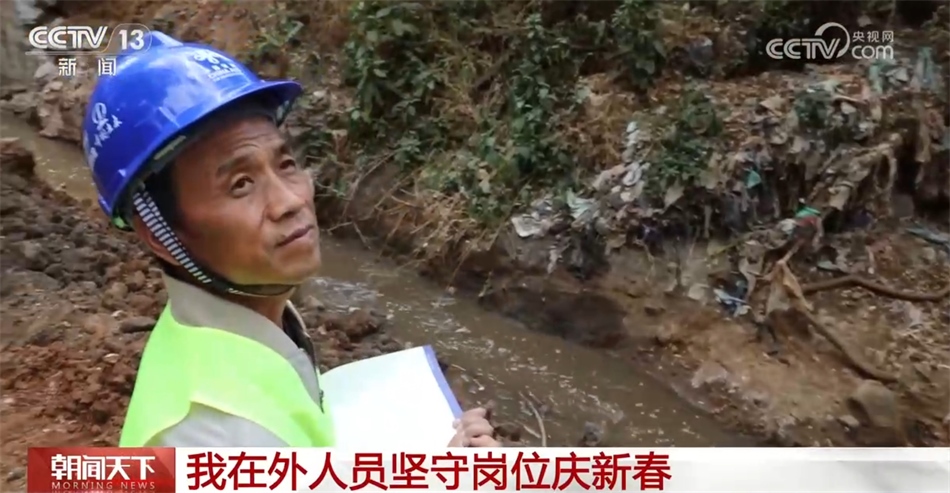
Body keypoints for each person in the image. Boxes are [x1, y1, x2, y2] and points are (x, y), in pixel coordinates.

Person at [84, 31, 498, 448]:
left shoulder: (243, 316)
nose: (291, 200)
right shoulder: (217, 435)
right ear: (159, 233)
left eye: (285, 164)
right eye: (241, 184)